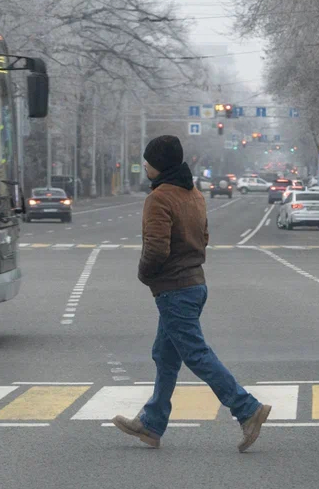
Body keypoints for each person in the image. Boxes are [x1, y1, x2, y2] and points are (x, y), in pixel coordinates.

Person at [112, 135, 271, 452]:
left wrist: (145, 274)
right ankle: (152, 422)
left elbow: (156, 248)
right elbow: (205, 237)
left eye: (148, 161)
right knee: (165, 355)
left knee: (196, 354)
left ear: (159, 164)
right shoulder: (194, 194)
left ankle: (247, 408)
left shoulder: (159, 199)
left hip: (174, 289)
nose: (144, 165)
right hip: (194, 283)